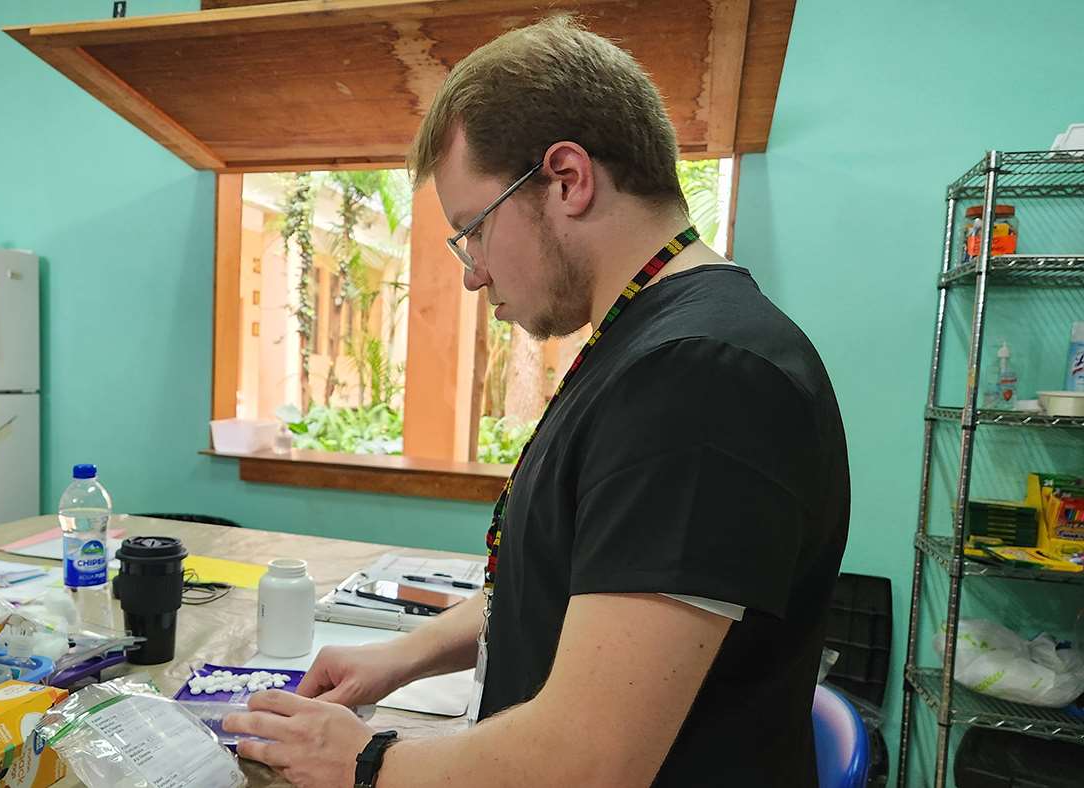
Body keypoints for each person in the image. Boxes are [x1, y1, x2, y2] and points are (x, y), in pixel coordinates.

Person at [223, 14, 849, 787]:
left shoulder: (702, 378)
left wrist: (364, 761)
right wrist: (400, 655)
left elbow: (590, 761)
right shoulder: (649, 343)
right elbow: (570, 587)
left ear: (566, 179)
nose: (472, 273)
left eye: (473, 230)